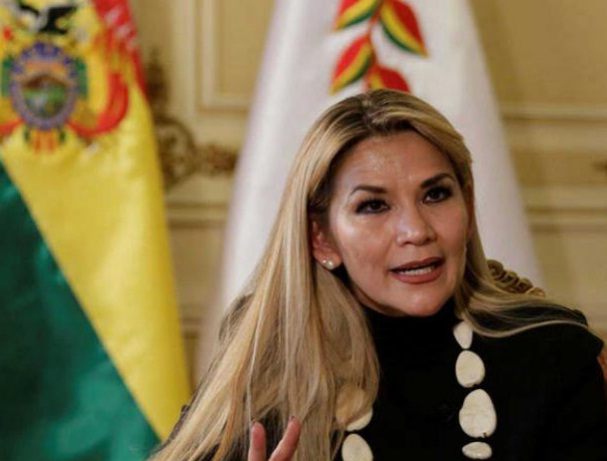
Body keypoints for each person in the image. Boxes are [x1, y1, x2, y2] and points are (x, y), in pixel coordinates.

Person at [151, 89, 607, 461]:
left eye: (435, 195)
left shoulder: (552, 356)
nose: (416, 230)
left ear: (468, 206)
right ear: (321, 238)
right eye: (373, 206)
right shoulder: (270, 364)